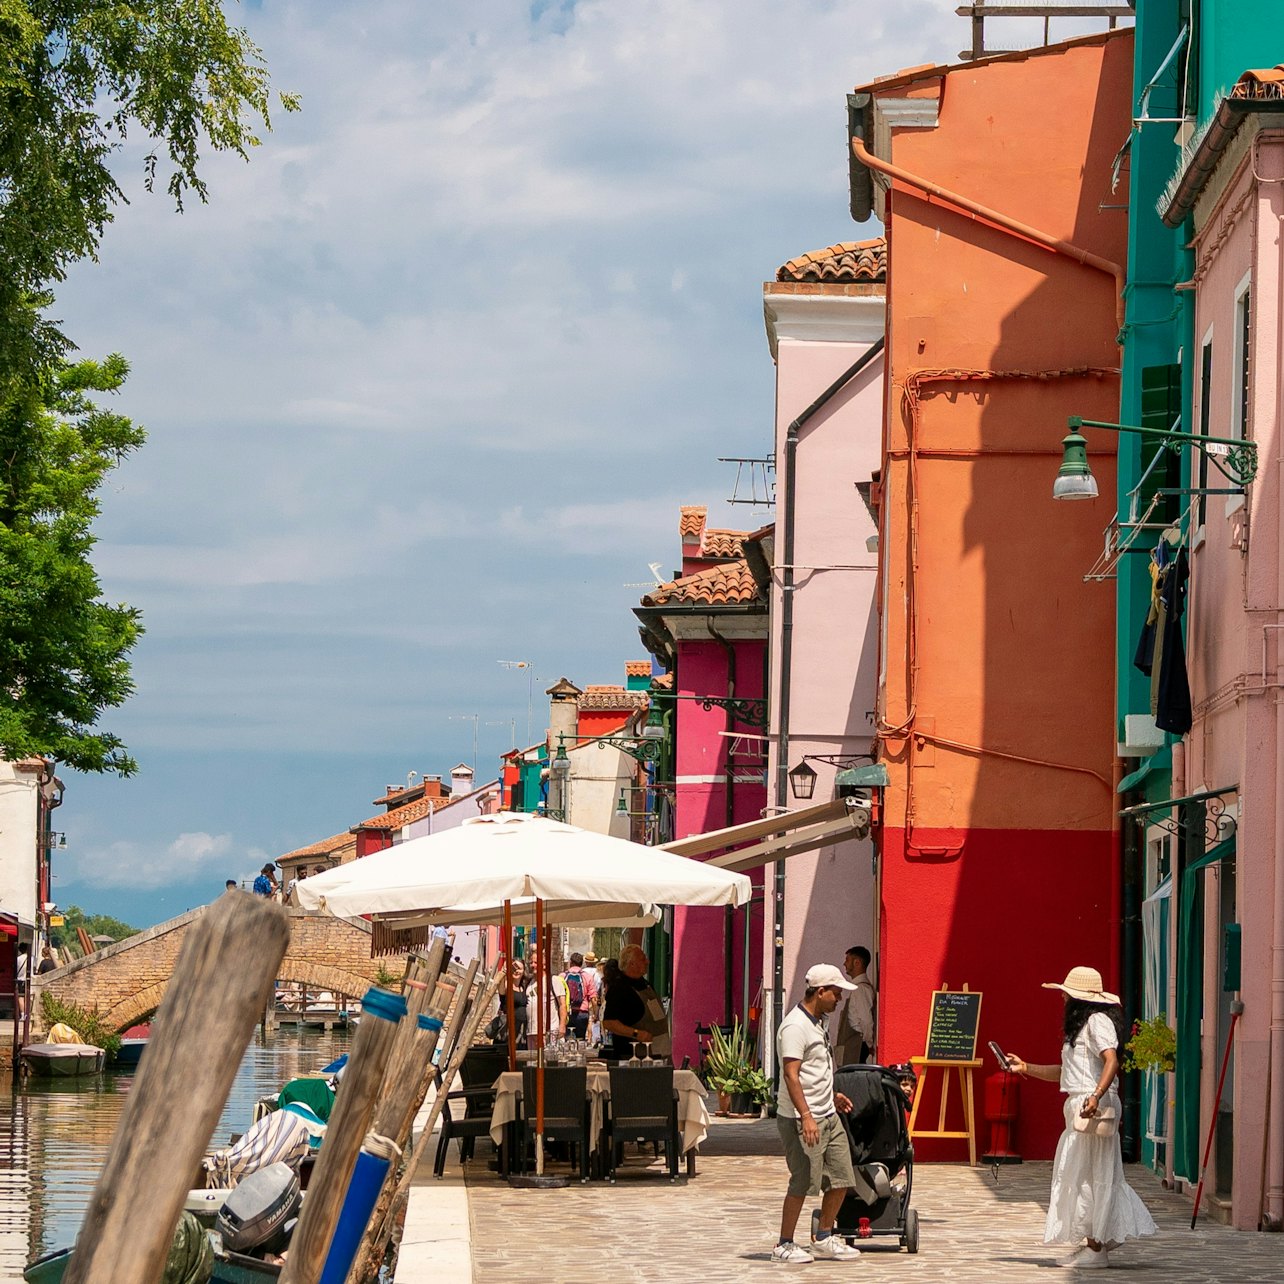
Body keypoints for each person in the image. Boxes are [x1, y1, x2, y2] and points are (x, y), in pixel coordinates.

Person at [1006, 966, 1157, 1268]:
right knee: (1083, 1173)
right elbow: (1066, 1074)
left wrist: (1096, 1095)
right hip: (1082, 1103)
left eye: (1068, 993)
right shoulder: (1081, 1028)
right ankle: (1094, 1241)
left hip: (1092, 1106)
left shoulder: (1097, 1022)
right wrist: (1026, 1068)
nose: (1063, 998)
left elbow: (1111, 1060)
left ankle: (1097, 1246)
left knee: (1089, 1175)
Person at [773, 963, 861, 1263]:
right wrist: (807, 1116)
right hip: (801, 1119)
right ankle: (784, 1244)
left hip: (828, 1115)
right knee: (802, 1181)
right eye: (836, 993)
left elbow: (815, 1069)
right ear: (820, 991)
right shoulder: (795, 1026)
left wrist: (832, 1096)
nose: (839, 998)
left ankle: (823, 1237)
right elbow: (791, 1075)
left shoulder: (819, 1022)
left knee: (842, 1177)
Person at [601, 943, 670, 1060]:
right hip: (633, 1057)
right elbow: (609, 1023)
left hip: (659, 1052)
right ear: (631, 964)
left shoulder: (645, 984)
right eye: (643, 959)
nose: (647, 962)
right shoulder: (619, 988)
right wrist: (636, 1033)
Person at [835, 945, 876, 1066]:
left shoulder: (861, 989)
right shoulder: (857, 988)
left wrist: (868, 1044)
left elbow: (866, 1021)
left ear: (857, 962)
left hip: (857, 1048)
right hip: (854, 1047)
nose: (844, 964)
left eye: (847, 960)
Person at [524, 947, 568, 1044]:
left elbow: (562, 1005)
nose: (532, 965)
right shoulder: (529, 983)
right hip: (532, 1032)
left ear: (544, 965)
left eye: (536, 962)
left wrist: (562, 1026)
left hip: (550, 1031)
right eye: (531, 963)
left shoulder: (554, 980)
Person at [490, 957, 529, 1047]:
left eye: (519, 968)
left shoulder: (524, 987)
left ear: (523, 971)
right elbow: (499, 986)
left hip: (521, 1031)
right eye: (514, 968)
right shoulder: (506, 985)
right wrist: (504, 971)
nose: (516, 971)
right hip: (507, 1031)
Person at [562, 951, 597, 1040]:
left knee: (568, 1040)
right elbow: (593, 998)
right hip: (582, 1013)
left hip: (567, 1012)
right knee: (580, 1040)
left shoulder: (563, 976)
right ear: (581, 963)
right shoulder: (587, 977)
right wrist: (595, 1014)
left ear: (571, 962)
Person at [15, 942, 31, 1021]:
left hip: (20, 979)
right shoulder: (31, 958)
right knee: (27, 996)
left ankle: (23, 1014)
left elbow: (16, 969)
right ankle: (28, 1013)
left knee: (20, 997)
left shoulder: (18, 959)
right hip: (28, 980)